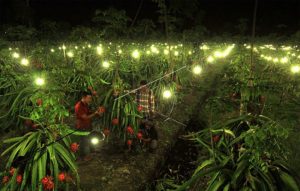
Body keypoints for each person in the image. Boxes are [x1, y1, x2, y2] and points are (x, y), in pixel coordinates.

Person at [74, 91, 101, 161]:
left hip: (87, 125)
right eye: (89, 98)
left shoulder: (85, 104)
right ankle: (85, 156)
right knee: (84, 141)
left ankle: (89, 152)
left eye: (90, 98)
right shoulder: (79, 106)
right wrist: (95, 114)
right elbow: (85, 117)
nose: (90, 100)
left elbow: (87, 113)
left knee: (87, 139)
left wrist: (95, 112)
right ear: (83, 97)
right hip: (81, 126)